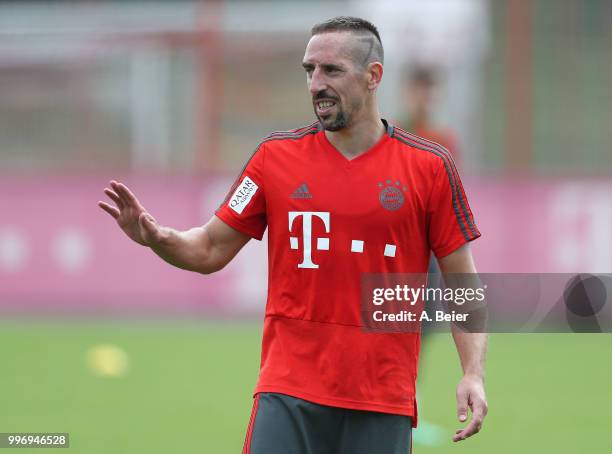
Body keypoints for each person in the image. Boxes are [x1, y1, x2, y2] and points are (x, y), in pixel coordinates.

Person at [98, 16, 488, 454]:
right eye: (309, 70)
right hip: (288, 394)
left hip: (382, 399)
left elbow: (462, 283)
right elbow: (209, 248)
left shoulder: (430, 167)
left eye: (331, 70)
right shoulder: (273, 159)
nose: (316, 84)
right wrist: (159, 237)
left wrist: (472, 371)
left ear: (373, 76)